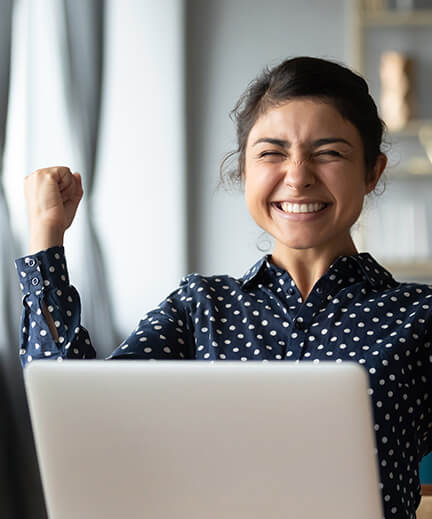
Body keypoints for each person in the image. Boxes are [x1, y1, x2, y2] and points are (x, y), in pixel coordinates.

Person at [15, 56, 432, 519]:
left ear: (372, 172)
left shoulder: (420, 316)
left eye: (329, 152)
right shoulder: (200, 307)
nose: (297, 176)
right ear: (244, 172)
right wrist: (46, 236)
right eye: (272, 153)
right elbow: (78, 420)